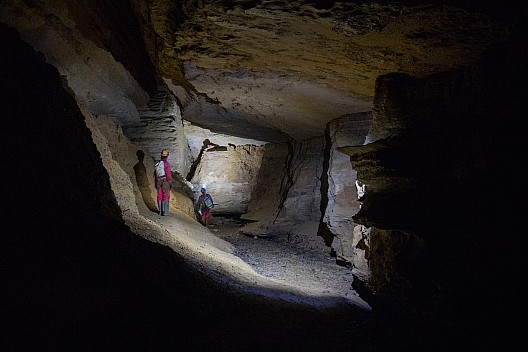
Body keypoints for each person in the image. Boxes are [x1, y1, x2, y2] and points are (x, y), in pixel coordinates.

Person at [153, 149, 172, 216]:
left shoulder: (157, 164)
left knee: (159, 195)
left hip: (158, 181)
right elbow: (168, 174)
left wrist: (155, 182)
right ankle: (165, 212)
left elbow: (154, 174)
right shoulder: (166, 164)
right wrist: (170, 182)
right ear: (167, 156)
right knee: (166, 195)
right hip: (165, 181)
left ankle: (160, 211)